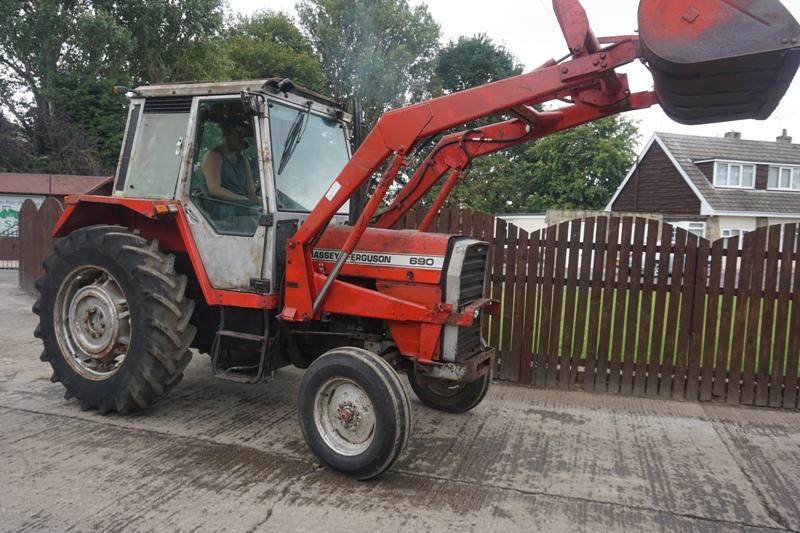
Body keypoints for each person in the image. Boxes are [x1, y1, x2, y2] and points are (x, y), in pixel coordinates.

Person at [202, 117, 260, 205]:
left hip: (242, 208)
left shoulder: (242, 160)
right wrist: (245, 201)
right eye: (237, 134)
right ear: (226, 134)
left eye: (243, 135)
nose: (242, 138)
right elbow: (215, 190)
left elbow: (251, 193)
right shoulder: (214, 156)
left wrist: (266, 204)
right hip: (221, 210)